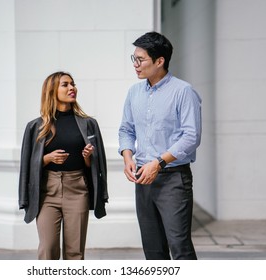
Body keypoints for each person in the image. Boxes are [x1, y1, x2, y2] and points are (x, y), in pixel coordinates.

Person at [118, 32, 202, 260]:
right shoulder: (134, 92)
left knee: (180, 247)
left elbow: (191, 136)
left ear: (159, 61)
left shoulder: (183, 91)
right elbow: (126, 129)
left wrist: (159, 162)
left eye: (140, 59)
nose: (135, 65)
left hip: (173, 179)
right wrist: (127, 157)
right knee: (153, 249)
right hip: (142, 177)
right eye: (133, 58)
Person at [19, 71, 108, 260]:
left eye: (72, 84)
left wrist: (87, 157)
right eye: (65, 84)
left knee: (75, 252)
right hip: (47, 192)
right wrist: (47, 158)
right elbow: (26, 165)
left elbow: (96, 165)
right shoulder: (36, 126)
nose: (72, 88)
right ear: (52, 91)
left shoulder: (89, 124)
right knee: (47, 249)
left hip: (77, 189)